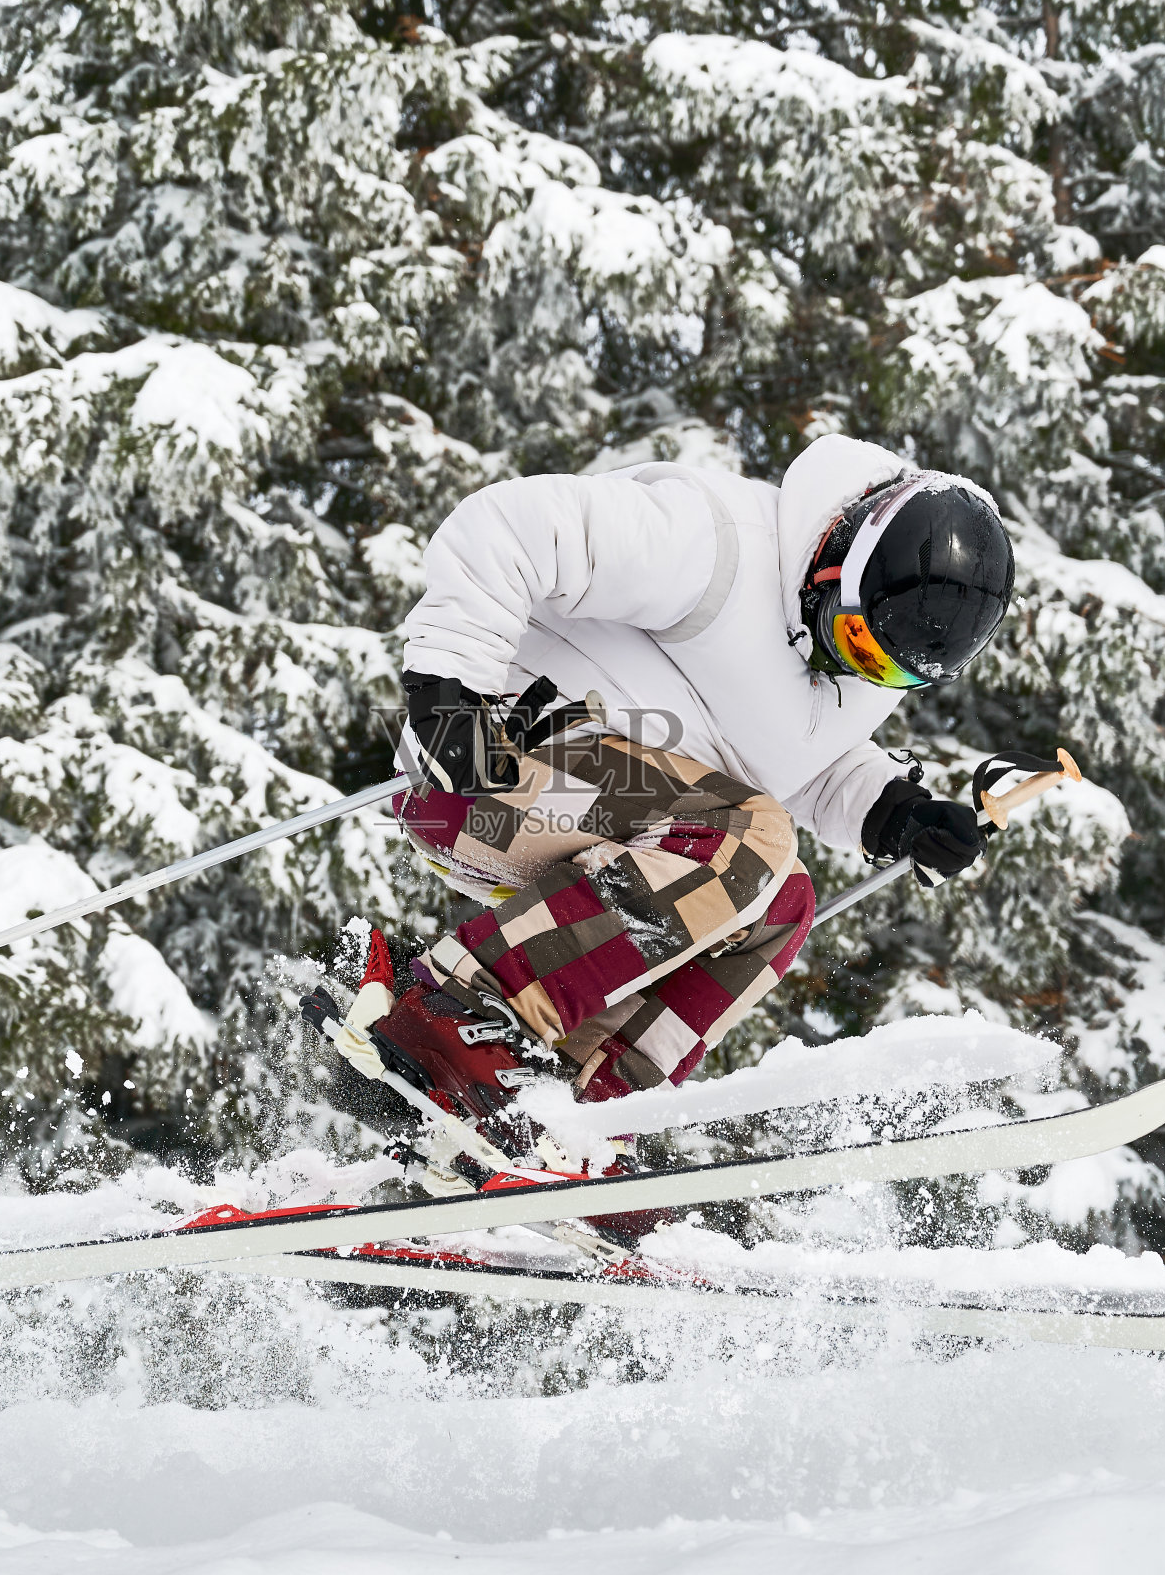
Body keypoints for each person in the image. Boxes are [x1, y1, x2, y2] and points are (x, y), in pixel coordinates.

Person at [355, 434, 1014, 1164]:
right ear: (834, 562)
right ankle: (461, 1008)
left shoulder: (853, 673)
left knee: (781, 899)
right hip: (490, 764)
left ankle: (575, 1111)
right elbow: (513, 527)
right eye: (855, 639)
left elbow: (798, 761)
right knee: (751, 839)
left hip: (621, 822)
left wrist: (895, 812)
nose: (851, 667)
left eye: (888, 673)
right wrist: (450, 694)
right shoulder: (717, 545)